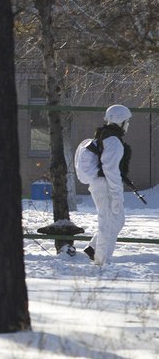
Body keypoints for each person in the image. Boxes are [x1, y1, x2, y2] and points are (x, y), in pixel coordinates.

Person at [84, 104, 132, 265]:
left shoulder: (108, 136)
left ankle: (93, 249)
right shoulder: (113, 140)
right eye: (127, 121)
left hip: (103, 184)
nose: (128, 124)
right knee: (109, 222)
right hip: (105, 185)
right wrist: (117, 195)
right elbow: (110, 169)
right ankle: (102, 260)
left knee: (115, 220)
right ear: (120, 121)